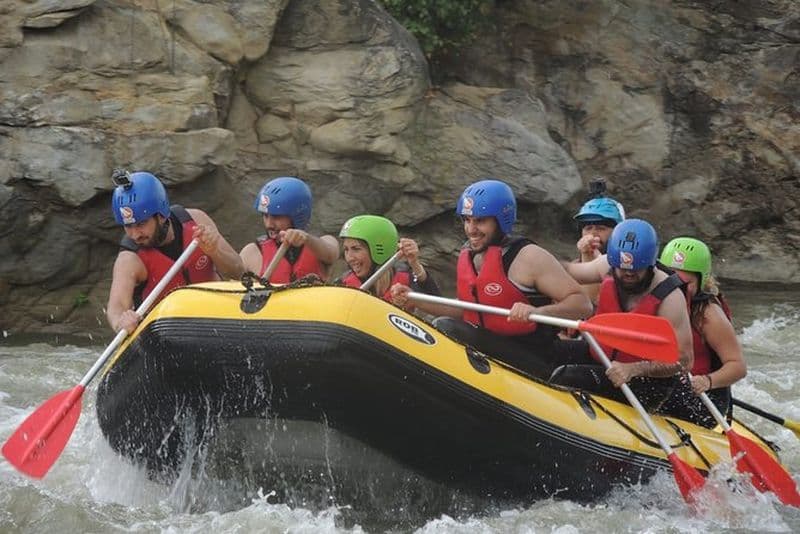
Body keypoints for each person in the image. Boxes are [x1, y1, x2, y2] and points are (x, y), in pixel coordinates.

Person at [391, 179, 592, 376]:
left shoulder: (528, 256)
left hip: (533, 356)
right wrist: (413, 298)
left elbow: (582, 304)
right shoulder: (469, 255)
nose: (471, 229)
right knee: (446, 325)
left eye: (480, 221)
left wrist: (537, 311)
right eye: (467, 220)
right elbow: (466, 310)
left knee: (448, 327)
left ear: (501, 220)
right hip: (490, 350)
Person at [554, 219, 695, 412]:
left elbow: (684, 359)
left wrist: (634, 369)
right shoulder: (609, 264)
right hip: (601, 356)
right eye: (622, 269)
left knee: (567, 376)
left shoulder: (670, 298)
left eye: (635, 270)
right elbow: (570, 271)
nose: (627, 274)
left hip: (644, 381)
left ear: (650, 264)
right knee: (549, 349)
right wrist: (537, 263)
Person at [106, 170, 244, 333]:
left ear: (161, 215)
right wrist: (120, 322)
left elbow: (239, 271)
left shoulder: (197, 221)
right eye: (128, 226)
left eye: (141, 224)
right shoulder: (130, 259)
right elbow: (116, 307)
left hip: (217, 320)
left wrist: (215, 252)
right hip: (171, 334)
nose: (135, 235)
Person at [656, 237, 746, 425]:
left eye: (685, 283)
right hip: (664, 382)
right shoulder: (653, 300)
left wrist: (707, 380)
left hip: (702, 396)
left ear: (701, 281)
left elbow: (738, 366)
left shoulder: (708, 314)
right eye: (671, 279)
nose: (677, 287)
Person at [239, 176, 339, 282]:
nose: (269, 224)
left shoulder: (324, 244)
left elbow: (330, 254)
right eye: (265, 216)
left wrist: (306, 239)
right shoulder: (251, 252)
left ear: (297, 216)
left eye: (276, 217)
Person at [336, 215, 439, 310]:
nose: (349, 258)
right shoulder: (343, 283)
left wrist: (414, 263)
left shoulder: (405, 278)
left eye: (356, 249)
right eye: (346, 249)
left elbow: (438, 306)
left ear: (379, 250)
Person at [573, 189, 625, 304]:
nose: (593, 234)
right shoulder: (573, 267)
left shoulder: (627, 269)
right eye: (588, 228)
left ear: (618, 232)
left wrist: (590, 257)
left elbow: (594, 301)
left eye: (601, 228)